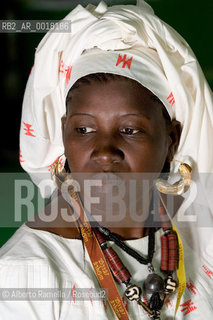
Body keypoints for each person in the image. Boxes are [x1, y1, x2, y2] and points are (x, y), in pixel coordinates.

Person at [0, 1, 212, 319]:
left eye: (129, 129)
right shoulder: (26, 274)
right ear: (63, 134)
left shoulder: (198, 241)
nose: (104, 151)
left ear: (172, 140)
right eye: (83, 129)